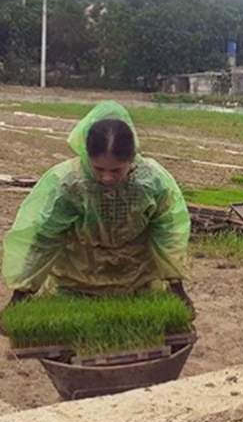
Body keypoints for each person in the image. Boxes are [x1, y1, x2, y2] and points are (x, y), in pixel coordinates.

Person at [1, 101, 193, 313]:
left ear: (131, 158)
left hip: (136, 280)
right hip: (76, 281)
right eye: (99, 168)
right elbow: (46, 238)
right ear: (87, 156)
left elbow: (167, 233)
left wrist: (176, 286)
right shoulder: (70, 184)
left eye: (117, 170)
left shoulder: (152, 183)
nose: (107, 178)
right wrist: (22, 292)